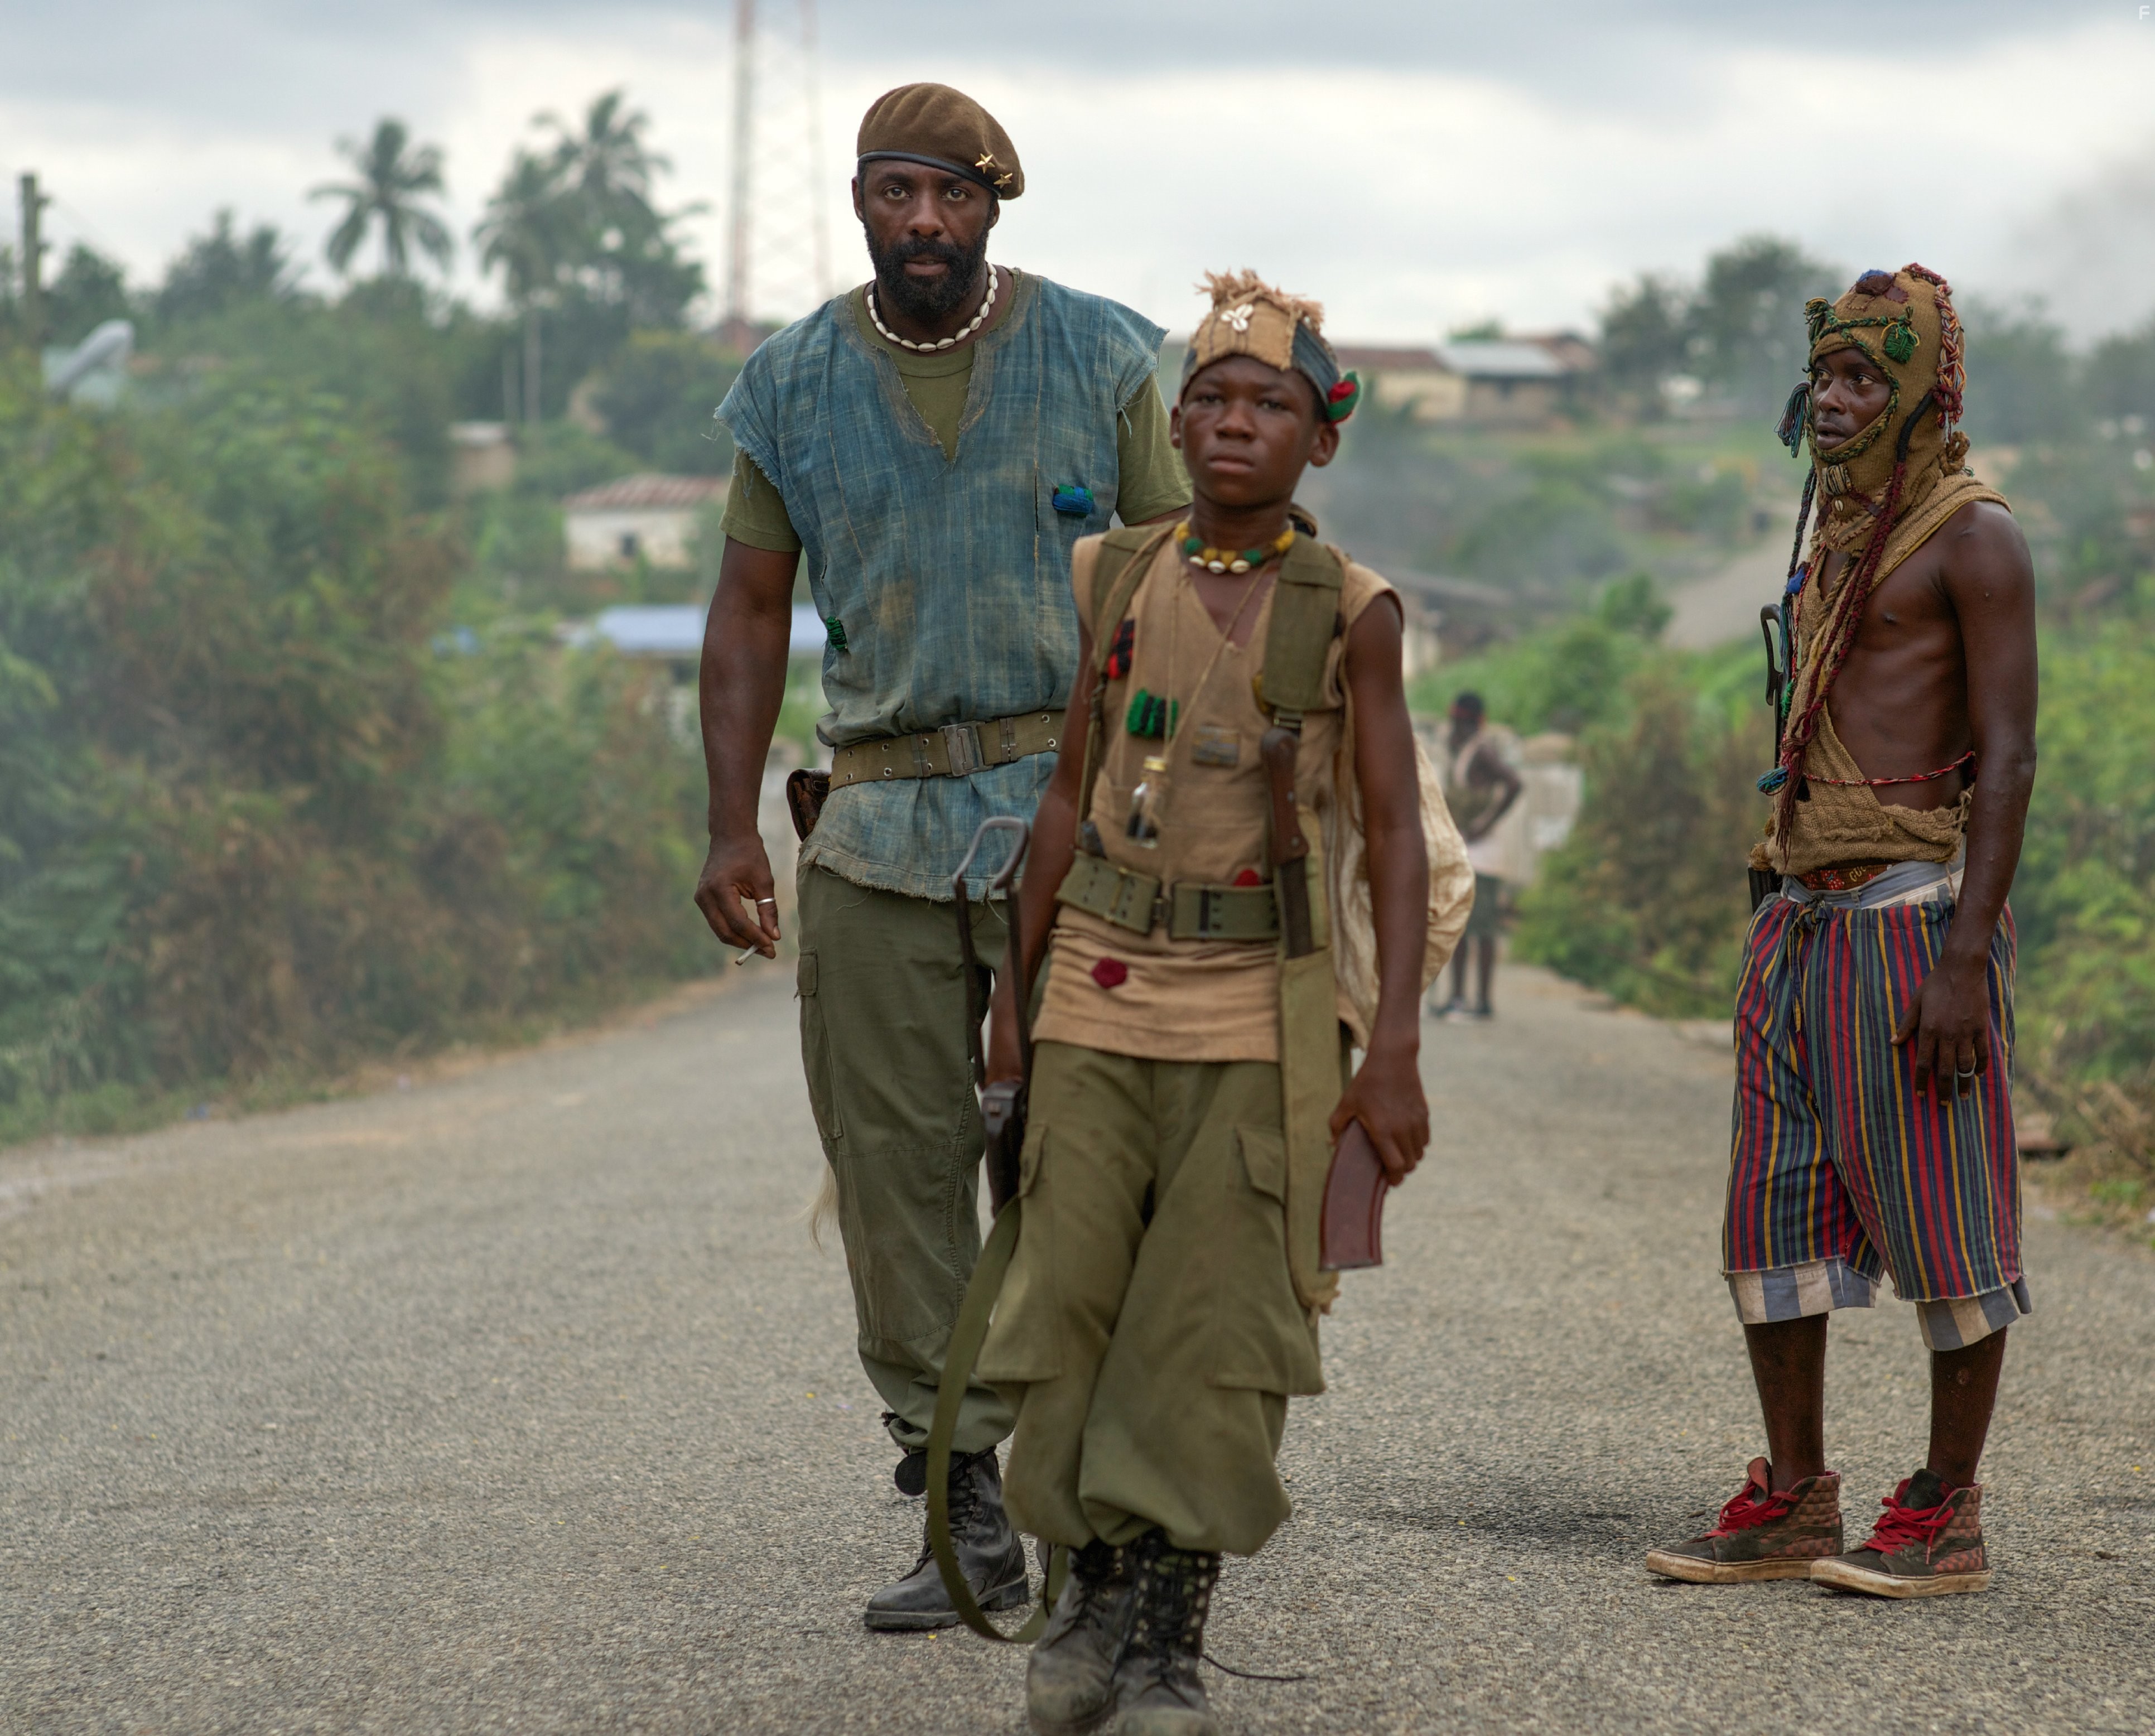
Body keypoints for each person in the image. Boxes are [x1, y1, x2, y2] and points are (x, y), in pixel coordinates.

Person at [692, 83, 1192, 1631]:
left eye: (951, 198)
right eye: (896, 194)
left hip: (1081, 818)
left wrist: (1170, 804)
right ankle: (956, 1504)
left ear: (992, 211)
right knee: (899, 1176)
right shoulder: (783, 388)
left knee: (1087, 1167)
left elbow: (1183, 589)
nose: (923, 223)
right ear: (857, 201)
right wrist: (726, 828)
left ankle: (1103, 1515)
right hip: (881, 828)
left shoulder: (1101, 354)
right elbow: (749, 615)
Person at [976, 273, 1431, 1736]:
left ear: (1319, 439)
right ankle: (1084, 1610)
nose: (1234, 424)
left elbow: (1398, 835)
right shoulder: (1109, 574)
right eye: (1211, 400)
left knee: (1211, 1328)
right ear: (1172, 423)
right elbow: (1061, 801)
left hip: (1256, 1013)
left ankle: (1167, 1642)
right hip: (1095, 998)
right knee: (1070, 1304)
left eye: (1270, 405)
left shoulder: (1347, 612)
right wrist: (1008, 1006)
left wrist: (1398, 1046)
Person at [1647, 265, 2036, 1598]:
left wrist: (1962, 957)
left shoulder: (1969, 540)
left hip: (1909, 923)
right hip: (1801, 918)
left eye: (1863, 378)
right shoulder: (1836, 535)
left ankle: (1944, 1506)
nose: (1832, 399)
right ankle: (1791, 1495)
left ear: (1921, 392)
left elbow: (2009, 753)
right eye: (1821, 375)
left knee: (1944, 1216)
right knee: (1771, 1211)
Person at [1436, 691, 1522, 1019]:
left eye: (1458, 722)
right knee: (1458, 927)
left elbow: (1515, 783)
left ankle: (1483, 1002)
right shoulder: (1460, 752)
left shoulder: (1482, 752)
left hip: (1484, 857)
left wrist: (1485, 824)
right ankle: (1458, 997)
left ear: (1469, 722)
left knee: (1483, 930)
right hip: (1466, 850)